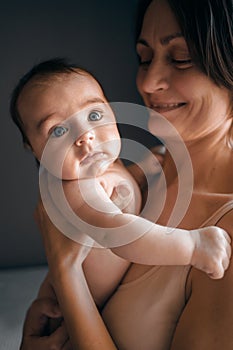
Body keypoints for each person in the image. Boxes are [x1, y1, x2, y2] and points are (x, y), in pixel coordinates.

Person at [19, 0, 233, 348]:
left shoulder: (225, 233)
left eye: (180, 58)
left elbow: (87, 258)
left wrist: (65, 271)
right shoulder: (140, 171)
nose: (147, 82)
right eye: (144, 58)